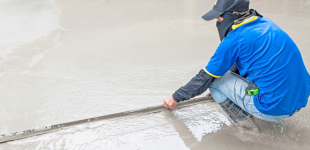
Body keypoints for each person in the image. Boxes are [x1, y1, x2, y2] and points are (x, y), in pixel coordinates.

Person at [163, 0, 310, 125]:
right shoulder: (266, 24)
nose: (217, 21)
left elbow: (205, 77)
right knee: (231, 70)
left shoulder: (235, 39)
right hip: (301, 99)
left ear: (231, 16)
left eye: (219, 18)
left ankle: (246, 127)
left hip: (273, 109)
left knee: (215, 82)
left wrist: (175, 97)